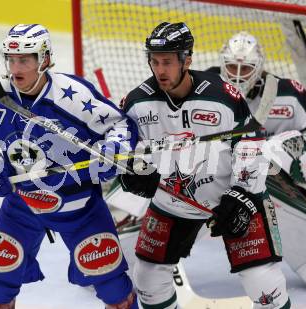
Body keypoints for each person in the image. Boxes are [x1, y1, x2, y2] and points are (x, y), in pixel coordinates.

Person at [0, 24, 139, 309]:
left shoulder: (73, 96)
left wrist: (113, 151)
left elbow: (120, 124)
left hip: (79, 207)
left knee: (116, 293)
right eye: (11, 59)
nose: (15, 68)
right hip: (21, 206)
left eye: (24, 59)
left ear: (45, 59)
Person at [119, 22, 291, 308]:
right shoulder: (137, 103)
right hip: (172, 201)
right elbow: (124, 147)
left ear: (187, 59)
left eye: (168, 62)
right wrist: (131, 169)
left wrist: (243, 195)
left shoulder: (224, 97)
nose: (160, 70)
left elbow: (250, 146)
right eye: (155, 61)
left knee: (263, 282)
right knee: (147, 279)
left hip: (232, 195)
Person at [208, 31, 306, 190]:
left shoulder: (290, 96)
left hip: (277, 186)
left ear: (258, 68)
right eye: (232, 67)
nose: (237, 77)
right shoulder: (206, 87)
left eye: (245, 69)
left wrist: (304, 160)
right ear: (222, 64)